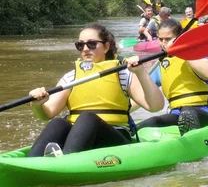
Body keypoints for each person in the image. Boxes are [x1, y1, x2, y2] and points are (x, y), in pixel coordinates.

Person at [27, 23, 164, 157]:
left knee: (88, 117)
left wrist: (140, 73)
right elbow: (46, 114)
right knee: (58, 123)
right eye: (80, 45)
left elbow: (155, 106)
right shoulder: (71, 77)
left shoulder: (123, 74)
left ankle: (65, 161)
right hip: (79, 137)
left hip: (115, 138)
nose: (85, 49)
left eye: (91, 44)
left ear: (106, 47)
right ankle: (32, 161)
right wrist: (38, 104)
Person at [136, 18, 208, 136]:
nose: (164, 43)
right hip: (177, 115)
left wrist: (182, 51)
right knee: (151, 122)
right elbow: (141, 96)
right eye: (161, 39)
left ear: (179, 38)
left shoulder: (196, 52)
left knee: (187, 113)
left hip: (205, 111)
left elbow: (207, 73)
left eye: (168, 39)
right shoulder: (162, 63)